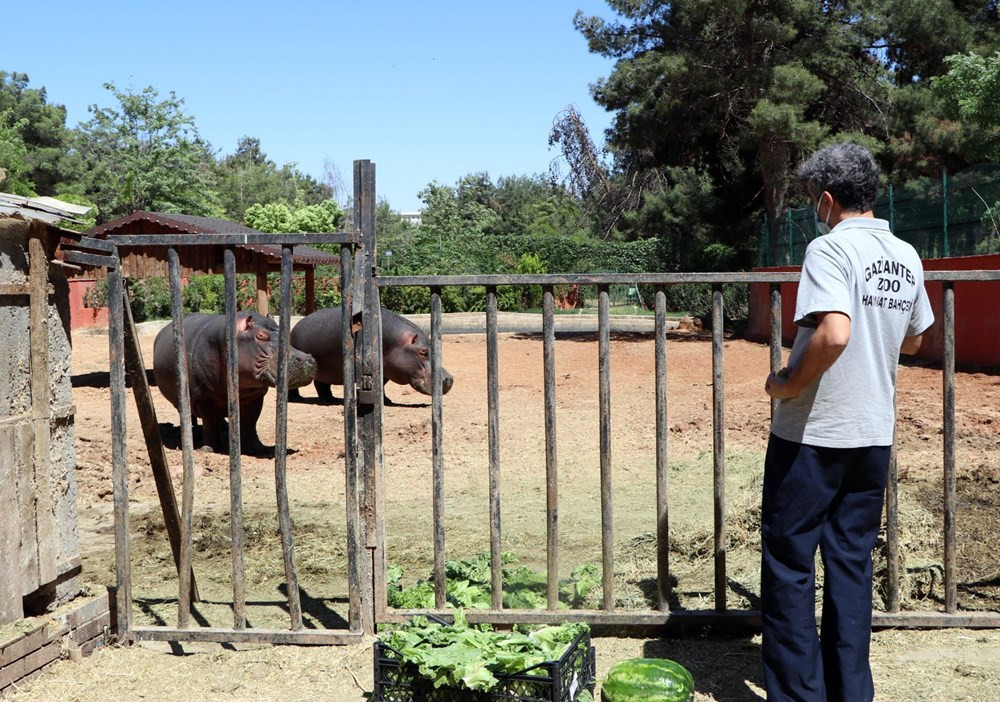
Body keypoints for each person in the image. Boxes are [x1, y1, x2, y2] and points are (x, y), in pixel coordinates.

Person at [761, 142, 934, 702]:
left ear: (829, 199)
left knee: (789, 564)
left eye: (814, 200)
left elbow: (834, 332)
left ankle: (797, 694)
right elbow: (915, 338)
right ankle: (850, 692)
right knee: (851, 564)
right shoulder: (906, 254)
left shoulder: (828, 249)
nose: (815, 209)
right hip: (872, 434)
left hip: (812, 435)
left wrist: (788, 381)